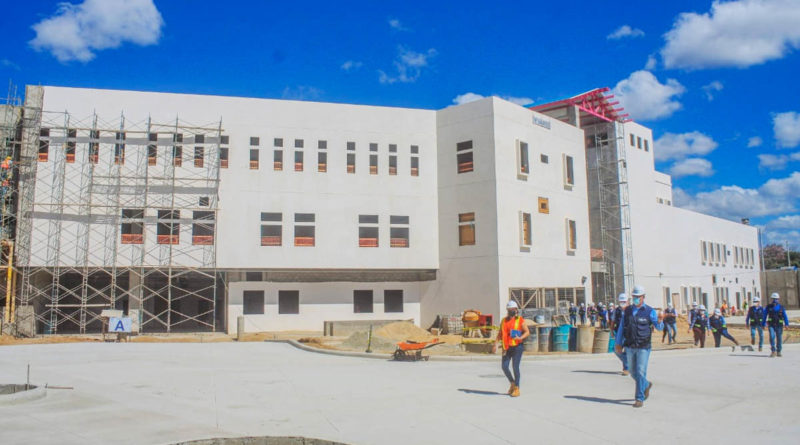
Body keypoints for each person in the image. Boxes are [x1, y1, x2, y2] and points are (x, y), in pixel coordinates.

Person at [614, 285, 664, 408]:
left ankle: (639, 398)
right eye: (634, 297)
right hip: (630, 346)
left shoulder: (649, 311)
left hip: (643, 347)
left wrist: (661, 320)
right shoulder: (628, 311)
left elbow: (658, 327)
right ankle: (646, 385)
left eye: (638, 297)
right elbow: (621, 328)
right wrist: (618, 343)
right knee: (632, 371)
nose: (636, 299)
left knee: (641, 372)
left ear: (643, 297)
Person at [494, 300, 530, 396]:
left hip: (517, 347)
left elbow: (527, 332)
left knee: (515, 367)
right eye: (509, 309)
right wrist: (495, 344)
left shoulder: (520, 320)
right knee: (504, 367)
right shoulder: (503, 321)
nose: (511, 311)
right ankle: (512, 383)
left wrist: (520, 337)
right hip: (506, 348)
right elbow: (500, 333)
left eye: (512, 309)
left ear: (516, 310)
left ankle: (517, 388)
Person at [763, 293, 790, 358]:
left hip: (779, 325)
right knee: (772, 337)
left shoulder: (781, 307)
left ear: (778, 299)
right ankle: (773, 351)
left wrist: (786, 324)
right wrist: (763, 324)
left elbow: (785, 316)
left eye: (776, 299)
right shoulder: (768, 307)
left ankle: (779, 351)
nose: (775, 300)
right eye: (773, 299)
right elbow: (764, 315)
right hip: (771, 325)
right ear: (771, 299)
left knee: (779, 338)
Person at [611, 293, 629, 376]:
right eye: (621, 301)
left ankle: (626, 368)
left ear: (627, 301)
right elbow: (613, 321)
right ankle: (628, 363)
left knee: (628, 350)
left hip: (629, 333)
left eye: (624, 301)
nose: (623, 302)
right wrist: (611, 331)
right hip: (619, 333)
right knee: (616, 350)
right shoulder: (616, 310)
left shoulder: (631, 309)